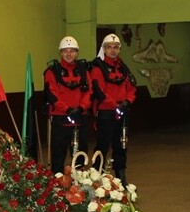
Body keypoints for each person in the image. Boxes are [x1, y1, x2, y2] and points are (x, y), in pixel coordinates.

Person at [89, 33, 137, 182]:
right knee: (102, 146)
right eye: (109, 47)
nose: (113, 50)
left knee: (121, 145)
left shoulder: (123, 68)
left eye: (116, 47)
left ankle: (121, 176)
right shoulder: (97, 68)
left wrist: (127, 102)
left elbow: (131, 88)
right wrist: (115, 105)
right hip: (106, 112)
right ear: (104, 49)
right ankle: (96, 176)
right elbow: (99, 92)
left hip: (123, 111)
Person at [44, 36, 91, 174]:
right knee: (58, 153)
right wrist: (68, 109)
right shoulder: (52, 71)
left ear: (77, 52)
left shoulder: (84, 71)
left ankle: (80, 181)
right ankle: (57, 181)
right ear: (60, 52)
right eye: (65, 51)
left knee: (80, 152)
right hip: (61, 117)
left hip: (80, 115)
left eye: (72, 51)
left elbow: (89, 92)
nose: (69, 54)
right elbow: (52, 95)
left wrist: (81, 108)